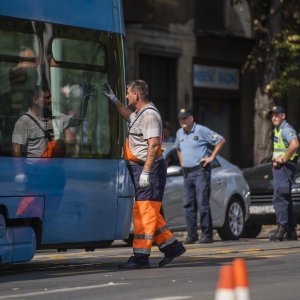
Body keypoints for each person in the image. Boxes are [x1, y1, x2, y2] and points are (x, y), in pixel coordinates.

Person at [103, 80, 186, 269]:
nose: (127, 96)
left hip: (148, 170)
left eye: (128, 94)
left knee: (143, 213)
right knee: (150, 212)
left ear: (137, 96)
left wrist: (146, 172)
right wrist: (114, 100)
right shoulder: (141, 113)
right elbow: (129, 116)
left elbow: (154, 144)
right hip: (141, 169)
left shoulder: (149, 115)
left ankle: (140, 257)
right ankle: (172, 247)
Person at [175, 108, 225, 244]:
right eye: (180, 119)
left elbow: (220, 140)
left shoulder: (201, 130)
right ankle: (192, 236)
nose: (182, 121)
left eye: (185, 118)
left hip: (200, 171)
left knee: (202, 203)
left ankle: (207, 235)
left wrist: (211, 157)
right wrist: (182, 162)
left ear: (191, 118)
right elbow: (178, 148)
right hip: (187, 172)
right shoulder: (180, 133)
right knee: (188, 205)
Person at [12, 85, 92, 158]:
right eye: (46, 98)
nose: (50, 100)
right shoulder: (23, 122)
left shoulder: (56, 116)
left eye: (50, 97)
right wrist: (20, 173)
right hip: (35, 170)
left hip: (56, 168)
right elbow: (16, 148)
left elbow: (76, 121)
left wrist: (85, 98)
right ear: (35, 100)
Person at [269, 106, 299, 241]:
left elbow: (295, 144)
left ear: (283, 116)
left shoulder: (286, 129)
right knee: (285, 198)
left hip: (285, 167)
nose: (274, 117)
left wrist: (284, 159)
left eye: (277, 115)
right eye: (272, 115)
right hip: (281, 167)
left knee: (279, 197)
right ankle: (291, 231)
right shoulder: (278, 129)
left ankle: (282, 229)